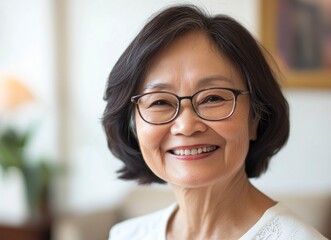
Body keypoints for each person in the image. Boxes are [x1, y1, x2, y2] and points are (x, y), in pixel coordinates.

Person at [102, 5, 327, 240]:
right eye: (160, 102)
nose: (186, 126)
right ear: (133, 124)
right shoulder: (126, 235)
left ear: (256, 117)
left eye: (212, 98)